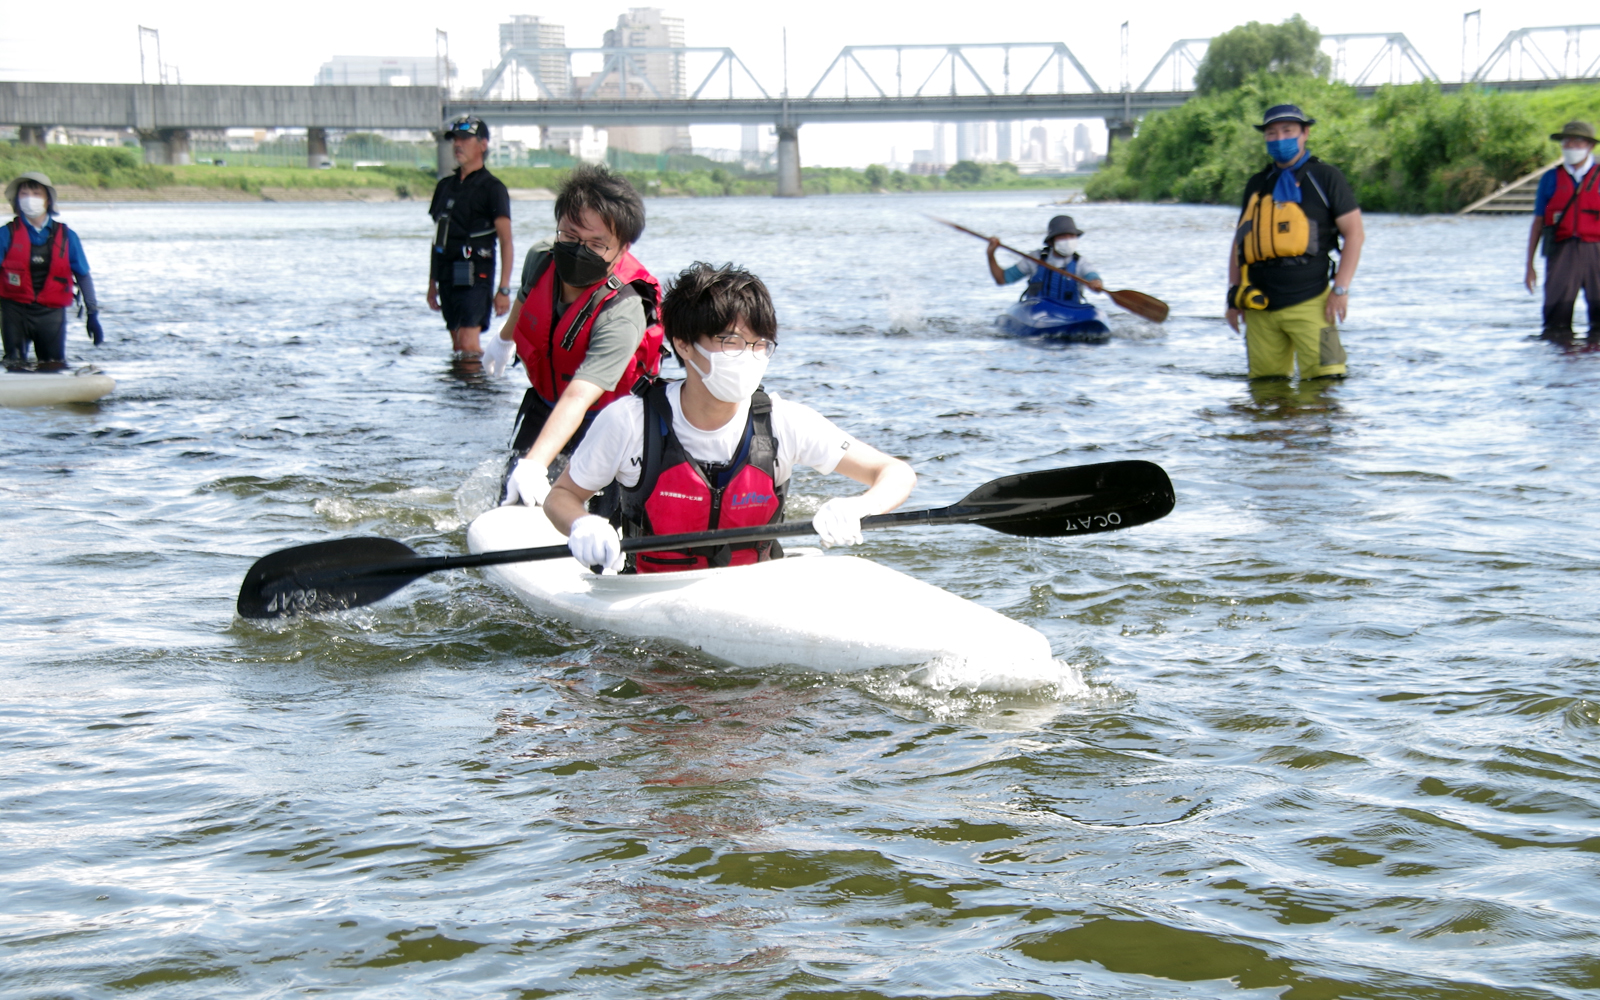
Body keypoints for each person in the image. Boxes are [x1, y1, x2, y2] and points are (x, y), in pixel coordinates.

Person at [542, 262, 917, 574]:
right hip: (648, 593)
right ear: (684, 344)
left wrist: (858, 506)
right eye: (731, 342)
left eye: (760, 345)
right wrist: (582, 523)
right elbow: (561, 496)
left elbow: (896, 473)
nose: (750, 356)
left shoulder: (784, 421)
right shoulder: (628, 422)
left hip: (751, 589)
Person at [482, 164, 666, 510]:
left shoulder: (624, 309)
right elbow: (525, 298)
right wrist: (504, 340)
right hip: (546, 400)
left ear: (622, 247)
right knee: (513, 496)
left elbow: (580, 396)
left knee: (592, 512)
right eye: (570, 237)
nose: (579, 250)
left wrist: (537, 464)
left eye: (597, 243)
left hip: (606, 418)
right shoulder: (541, 257)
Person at [1225, 104, 1364, 379]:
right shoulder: (1257, 183)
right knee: (1266, 391)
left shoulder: (1327, 178)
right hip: (1259, 307)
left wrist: (1340, 290)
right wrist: (1233, 297)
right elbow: (1240, 243)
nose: (1279, 139)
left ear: (1305, 133)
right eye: (1272, 133)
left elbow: (1355, 234)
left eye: (1288, 131)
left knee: (1330, 383)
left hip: (1314, 304)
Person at [426, 117, 513, 359]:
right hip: (446, 272)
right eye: (455, 139)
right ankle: (462, 395)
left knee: (467, 343)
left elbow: (506, 240)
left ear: (483, 145)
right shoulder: (444, 186)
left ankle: (485, 388)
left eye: (465, 139)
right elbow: (437, 239)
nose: (458, 144)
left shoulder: (493, 188)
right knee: (457, 345)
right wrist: (432, 282)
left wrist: (504, 289)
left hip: (476, 272)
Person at [2, 172, 102, 368]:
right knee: (13, 363)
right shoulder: (5, 234)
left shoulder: (67, 236)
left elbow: (83, 276)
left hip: (50, 313)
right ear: (17, 200)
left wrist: (92, 314)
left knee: (52, 365)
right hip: (14, 311)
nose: (30, 198)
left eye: (36, 193)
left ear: (48, 200)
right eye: (24, 193)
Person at [1525, 120, 1600, 339]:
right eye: (1566, 142)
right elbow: (1538, 222)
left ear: (1589, 146)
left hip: (1597, 251)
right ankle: (1559, 370)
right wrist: (1529, 265)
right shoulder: (1550, 178)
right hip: (1561, 253)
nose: (1570, 147)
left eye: (1577, 142)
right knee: (1555, 327)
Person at [985, 214, 1103, 304]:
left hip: (1071, 311)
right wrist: (991, 255)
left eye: (1071, 236)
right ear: (1051, 241)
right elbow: (1001, 279)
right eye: (1063, 236)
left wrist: (1096, 284)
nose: (1068, 240)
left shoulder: (1081, 263)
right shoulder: (1034, 259)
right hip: (1037, 310)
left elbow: (1093, 277)